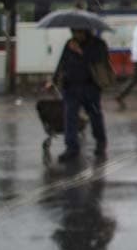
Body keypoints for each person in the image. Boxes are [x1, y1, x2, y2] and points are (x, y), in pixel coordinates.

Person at [48, 27, 113, 162]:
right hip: (71, 87)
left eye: (79, 32)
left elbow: (101, 61)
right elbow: (62, 63)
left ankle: (100, 141)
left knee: (95, 115)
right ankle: (71, 147)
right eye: (74, 32)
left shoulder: (98, 44)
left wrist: (80, 52)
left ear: (86, 31)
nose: (76, 35)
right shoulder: (69, 44)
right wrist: (53, 80)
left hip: (90, 86)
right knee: (70, 116)